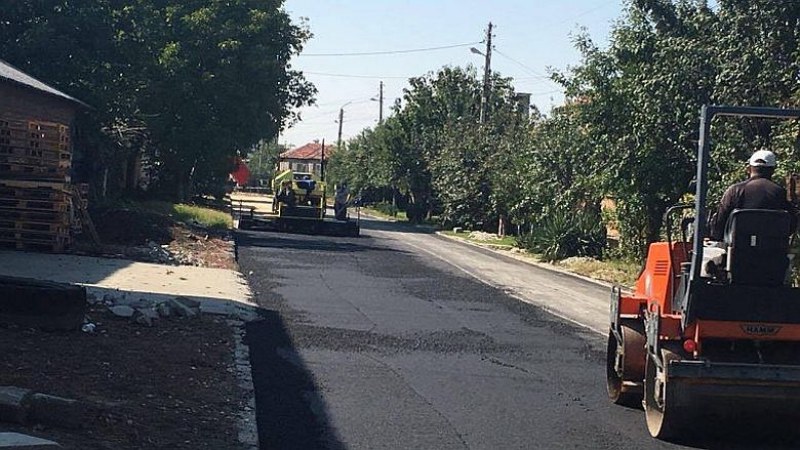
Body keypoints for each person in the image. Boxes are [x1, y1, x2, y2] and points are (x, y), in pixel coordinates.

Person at [710, 149, 798, 241]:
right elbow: (791, 225)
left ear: (748, 169)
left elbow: (718, 225)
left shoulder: (734, 191)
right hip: (772, 251)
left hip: (738, 251)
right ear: (773, 170)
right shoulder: (780, 193)